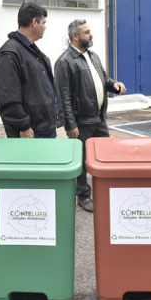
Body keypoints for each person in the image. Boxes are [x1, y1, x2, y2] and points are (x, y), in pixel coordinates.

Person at [55, 20, 126, 212]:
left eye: (90, 31)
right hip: (81, 120)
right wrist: (70, 124)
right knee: (82, 160)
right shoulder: (64, 62)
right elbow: (64, 97)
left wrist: (114, 85)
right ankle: (83, 195)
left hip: (99, 118)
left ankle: (107, 190)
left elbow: (104, 78)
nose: (91, 34)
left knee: (105, 155)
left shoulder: (93, 56)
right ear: (75, 36)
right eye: (87, 32)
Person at [0, 2, 61, 138]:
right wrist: (23, 126)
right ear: (34, 23)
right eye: (43, 22)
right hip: (30, 133)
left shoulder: (33, 52)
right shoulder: (10, 54)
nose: (45, 27)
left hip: (45, 129)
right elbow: (7, 97)